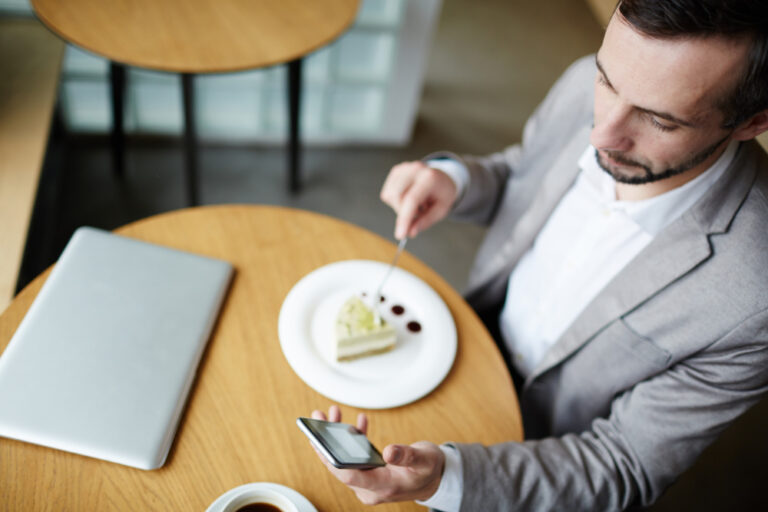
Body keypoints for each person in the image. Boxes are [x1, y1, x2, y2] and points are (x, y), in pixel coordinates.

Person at [309, 0, 768, 509]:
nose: (601, 135)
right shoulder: (580, 84)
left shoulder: (754, 297)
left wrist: (446, 479)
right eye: (607, 82)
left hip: (538, 452)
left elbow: (625, 464)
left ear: (752, 122)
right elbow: (521, 173)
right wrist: (456, 180)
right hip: (457, 345)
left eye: (659, 120)